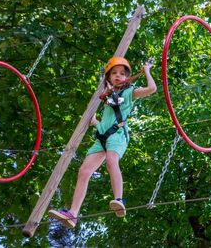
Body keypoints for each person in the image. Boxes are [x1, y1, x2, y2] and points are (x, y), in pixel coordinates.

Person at [48, 57, 157, 228]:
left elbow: (152, 89)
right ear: (108, 79)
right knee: (84, 171)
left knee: (111, 161)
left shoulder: (129, 92)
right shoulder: (108, 99)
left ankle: (119, 199)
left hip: (118, 134)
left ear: (127, 77)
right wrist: (95, 122)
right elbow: (108, 120)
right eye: (114, 73)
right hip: (102, 136)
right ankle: (73, 214)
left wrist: (147, 71)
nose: (118, 76)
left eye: (122, 73)